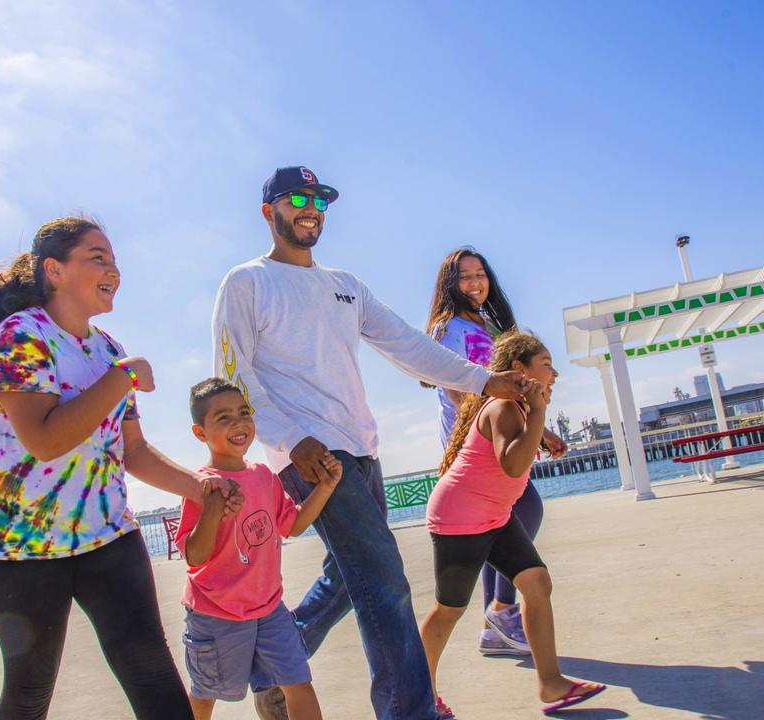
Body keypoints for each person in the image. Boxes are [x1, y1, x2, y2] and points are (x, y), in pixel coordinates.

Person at [211, 166, 537, 720]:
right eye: (296, 198)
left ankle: (269, 671)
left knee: (347, 577)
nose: (309, 207)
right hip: (312, 455)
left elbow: (408, 345)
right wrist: (293, 441)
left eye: (319, 199)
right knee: (385, 578)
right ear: (269, 211)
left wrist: (484, 380)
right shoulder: (247, 282)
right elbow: (234, 374)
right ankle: (410, 711)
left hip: (361, 449)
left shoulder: (345, 285)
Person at [0, 217, 241, 720]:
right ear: (54, 270)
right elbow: (44, 440)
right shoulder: (21, 336)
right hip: (23, 548)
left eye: (113, 259)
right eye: (97, 257)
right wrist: (122, 378)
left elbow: (133, 452)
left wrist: (200, 486)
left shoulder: (108, 350)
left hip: (108, 538)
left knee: (152, 672)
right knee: (29, 689)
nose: (113, 269)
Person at [420, 330, 605, 717]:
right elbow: (513, 463)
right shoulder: (503, 407)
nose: (554, 373)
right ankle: (419, 697)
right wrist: (539, 414)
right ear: (520, 369)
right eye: (547, 365)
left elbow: (518, 451)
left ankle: (551, 684)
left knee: (536, 582)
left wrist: (543, 429)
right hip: (460, 518)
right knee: (448, 611)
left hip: (493, 514)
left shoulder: (517, 408)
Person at [424, 247, 566, 658]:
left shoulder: (490, 324)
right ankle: (501, 613)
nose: (474, 283)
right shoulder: (447, 328)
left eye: (480, 274)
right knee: (523, 510)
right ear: (450, 284)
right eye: (464, 276)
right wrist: (477, 428)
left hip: (504, 429)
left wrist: (540, 431)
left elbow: (514, 383)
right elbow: (453, 385)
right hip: (476, 440)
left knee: (502, 521)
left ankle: (499, 616)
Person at [176, 378, 342, 720]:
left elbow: (291, 525)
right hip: (215, 612)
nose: (238, 423)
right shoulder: (202, 484)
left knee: (299, 681)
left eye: (243, 412)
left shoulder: (265, 476)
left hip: (269, 609)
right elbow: (194, 556)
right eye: (223, 418)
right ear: (200, 432)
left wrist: (324, 488)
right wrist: (212, 511)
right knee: (206, 695)